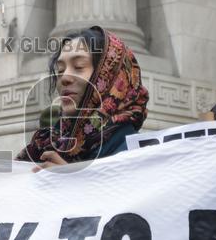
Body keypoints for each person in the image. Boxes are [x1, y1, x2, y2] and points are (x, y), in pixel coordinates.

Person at [18, 26, 149, 170]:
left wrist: (72, 181)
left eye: (79, 67)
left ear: (111, 77)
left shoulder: (139, 154)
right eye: (60, 70)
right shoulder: (45, 145)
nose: (64, 78)